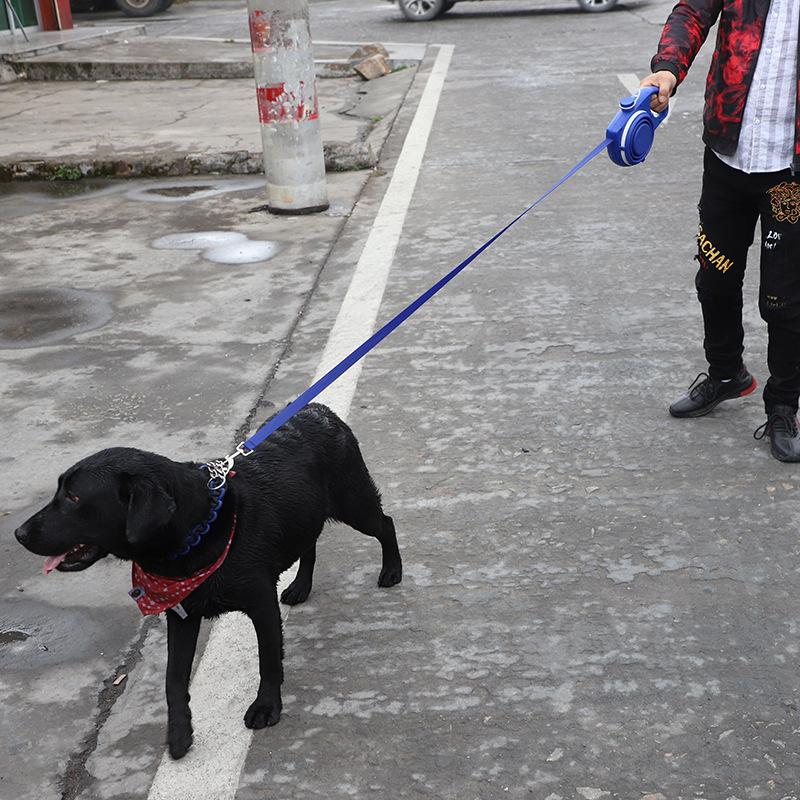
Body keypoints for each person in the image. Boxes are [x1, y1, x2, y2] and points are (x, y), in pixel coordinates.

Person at [640, 0, 800, 461]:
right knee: (714, 278)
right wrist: (667, 70)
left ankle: (784, 405)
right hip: (728, 154)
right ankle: (727, 373)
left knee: (785, 299)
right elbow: (691, 12)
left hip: (790, 176)